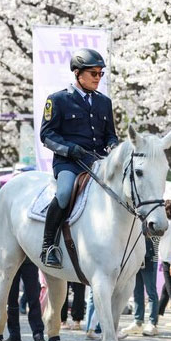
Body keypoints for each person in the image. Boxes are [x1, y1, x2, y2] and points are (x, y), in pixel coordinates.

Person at [39, 48, 118, 268]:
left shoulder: (104, 102)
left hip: (98, 162)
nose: (98, 78)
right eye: (93, 73)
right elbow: (46, 135)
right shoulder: (58, 99)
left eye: (101, 73)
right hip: (69, 163)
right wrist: (69, 149)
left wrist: (113, 145)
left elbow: (110, 133)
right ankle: (48, 246)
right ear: (77, 73)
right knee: (64, 193)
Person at [119, 236, 160, 337]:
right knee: (137, 291)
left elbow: (157, 237)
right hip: (136, 258)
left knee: (151, 292)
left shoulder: (151, 220)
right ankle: (138, 321)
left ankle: (152, 323)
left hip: (149, 258)